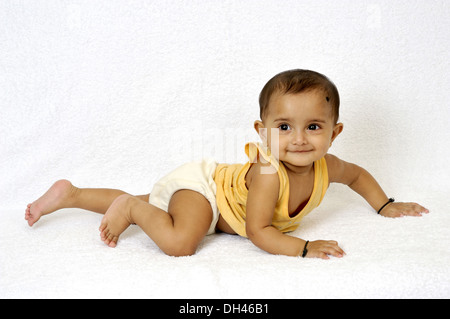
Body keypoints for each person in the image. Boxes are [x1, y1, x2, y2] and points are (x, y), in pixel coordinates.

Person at [25, 69, 429, 259]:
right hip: (205, 191)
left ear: (335, 133)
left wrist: (384, 204)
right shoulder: (270, 174)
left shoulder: (330, 167)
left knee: (159, 202)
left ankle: (71, 194)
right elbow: (258, 231)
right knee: (181, 242)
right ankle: (130, 208)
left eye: (314, 126)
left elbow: (357, 175)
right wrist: (304, 249)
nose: (300, 138)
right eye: (284, 126)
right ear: (262, 130)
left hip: (215, 193)